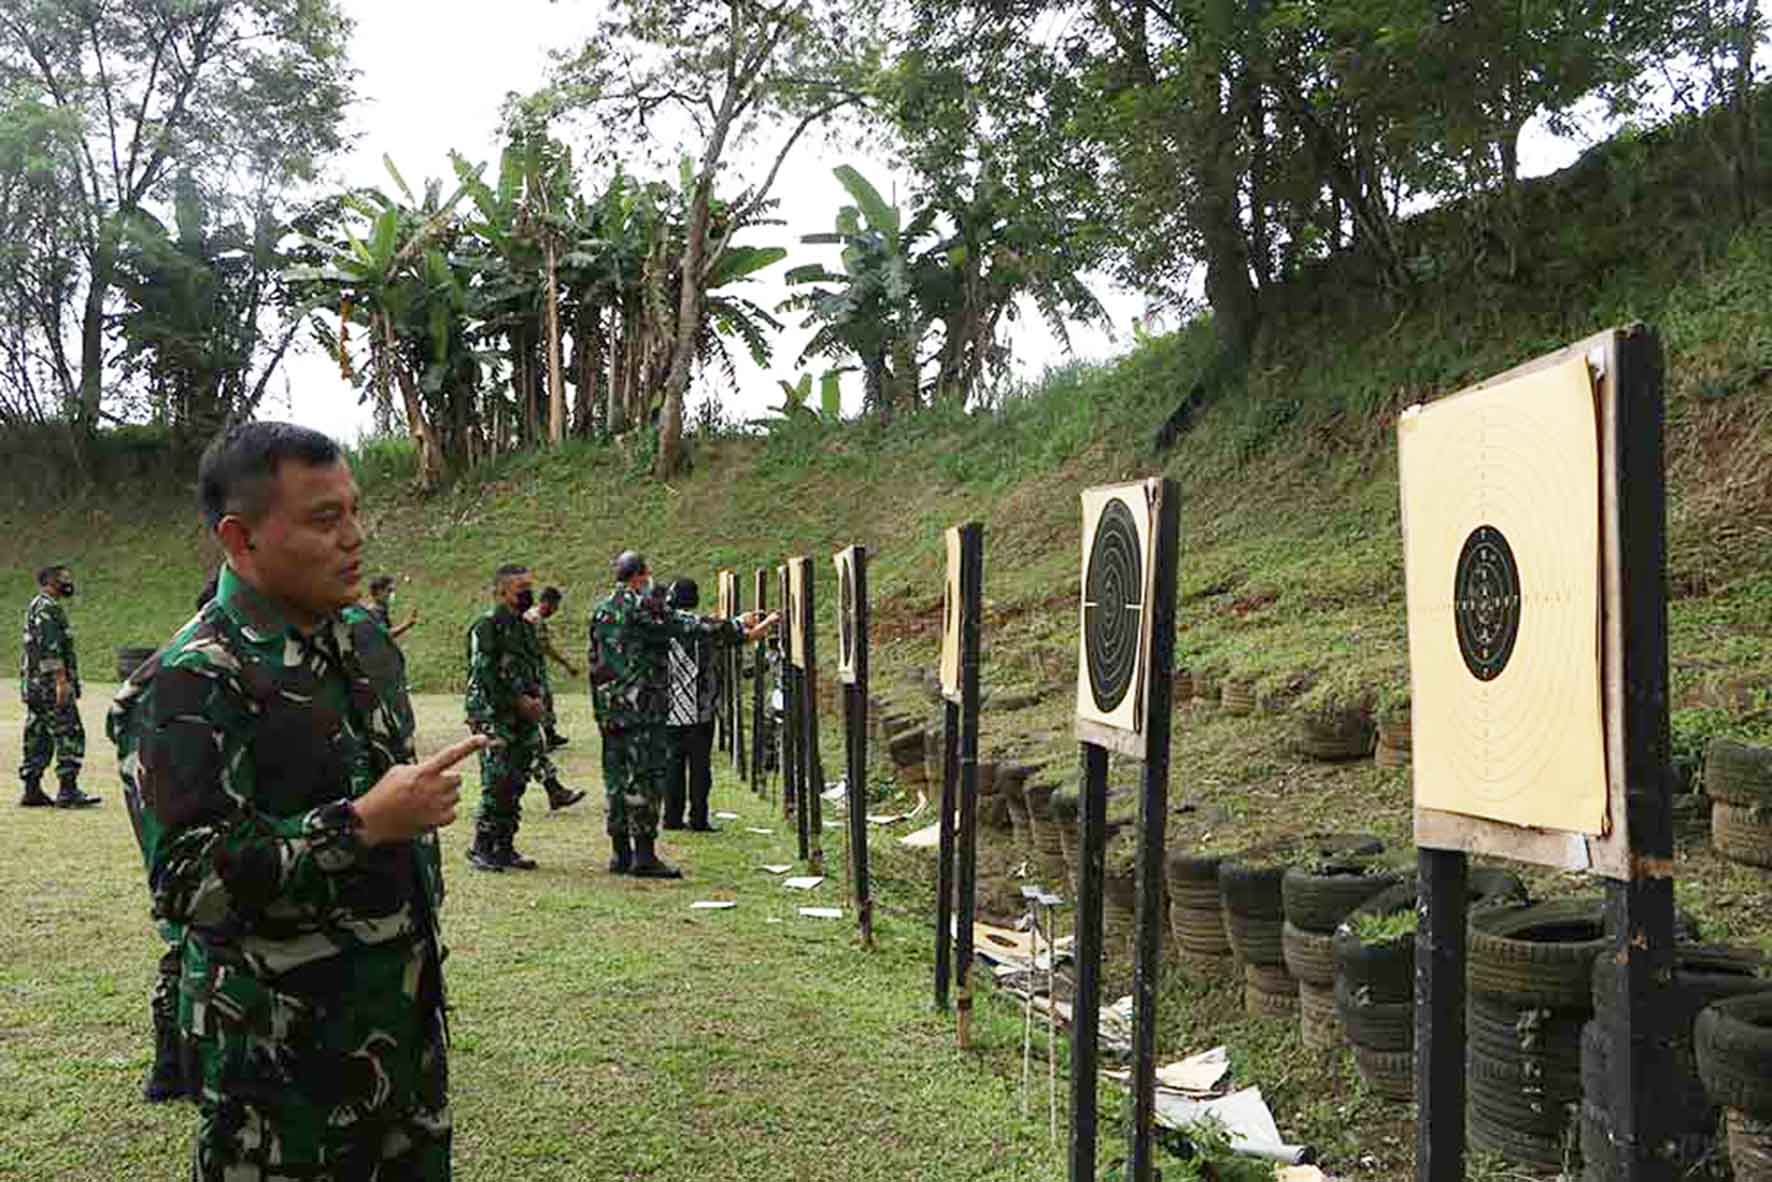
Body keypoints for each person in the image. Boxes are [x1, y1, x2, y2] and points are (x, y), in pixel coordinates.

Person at [108, 421, 482, 1179]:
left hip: (400, 1028)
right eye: (324, 519)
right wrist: (362, 824)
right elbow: (189, 881)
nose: (355, 536)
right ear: (241, 540)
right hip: (281, 1071)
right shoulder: (188, 681)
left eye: (353, 510)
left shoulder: (364, 642)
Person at [588, 551, 773, 878]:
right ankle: (643, 856)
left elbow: (596, 661)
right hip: (641, 709)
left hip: (610, 710)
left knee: (616, 780)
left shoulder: (601, 612)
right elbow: (687, 624)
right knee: (645, 779)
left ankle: (620, 853)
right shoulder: (641, 606)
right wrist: (738, 627)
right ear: (639, 576)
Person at [465, 564, 584, 869]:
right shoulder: (487, 626)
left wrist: (537, 700)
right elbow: (485, 675)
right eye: (522, 589)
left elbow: (532, 669)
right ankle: (481, 846)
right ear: (502, 592)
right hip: (494, 714)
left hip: (524, 714)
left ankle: (505, 846)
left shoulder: (525, 626)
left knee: (517, 779)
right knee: (497, 780)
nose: (528, 594)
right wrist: (518, 701)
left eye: (530, 587)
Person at [18, 563, 101, 808]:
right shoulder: (47, 609)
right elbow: (50, 647)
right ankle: (68, 790)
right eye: (62, 579)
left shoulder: (38, 606)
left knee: (38, 734)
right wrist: (61, 682)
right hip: (48, 685)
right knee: (69, 731)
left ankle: (32, 789)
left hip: (35, 685)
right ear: (49, 582)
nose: (68, 583)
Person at [661, 577, 720, 833]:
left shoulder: (664, 626)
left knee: (672, 768)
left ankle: (672, 818)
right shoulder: (701, 628)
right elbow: (733, 635)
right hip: (699, 711)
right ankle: (698, 819)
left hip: (670, 710)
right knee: (699, 770)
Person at [526, 585, 575, 749]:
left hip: (529, 667)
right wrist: (566, 664)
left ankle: (549, 734)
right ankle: (544, 737)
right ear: (547, 602)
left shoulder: (529, 615)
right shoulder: (536, 620)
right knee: (542, 700)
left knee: (542, 700)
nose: (555, 610)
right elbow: (545, 648)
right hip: (531, 668)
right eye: (555, 606)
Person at [367, 573, 418, 640]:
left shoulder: (380, 610)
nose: (392, 595)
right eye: (389, 590)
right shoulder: (374, 612)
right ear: (379, 591)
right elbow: (385, 635)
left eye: (393, 591)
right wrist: (406, 624)